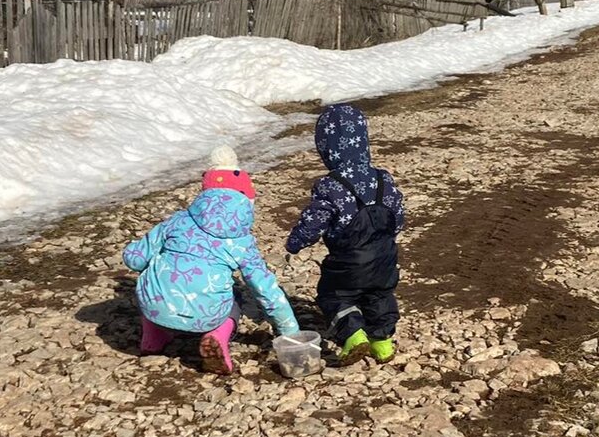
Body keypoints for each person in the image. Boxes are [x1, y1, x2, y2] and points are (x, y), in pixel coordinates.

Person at [122, 145, 299, 375]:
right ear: (246, 202)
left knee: (155, 276)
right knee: (236, 300)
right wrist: (289, 330)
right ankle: (218, 335)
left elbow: (134, 259)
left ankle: (153, 336)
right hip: (208, 314)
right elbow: (265, 288)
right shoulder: (241, 241)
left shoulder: (177, 220)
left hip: (154, 305)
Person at [286, 103, 405, 365]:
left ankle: (353, 335)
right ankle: (383, 343)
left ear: (326, 150)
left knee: (333, 295)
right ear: (364, 142)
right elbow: (398, 216)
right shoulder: (383, 179)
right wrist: (389, 235)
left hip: (348, 262)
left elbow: (314, 221)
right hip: (385, 258)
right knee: (380, 297)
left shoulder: (330, 186)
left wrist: (295, 242)